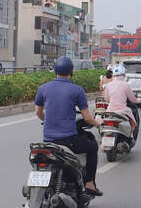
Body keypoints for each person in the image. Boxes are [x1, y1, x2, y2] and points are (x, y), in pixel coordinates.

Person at [34, 57, 104, 197]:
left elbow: (38, 112)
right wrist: (98, 122)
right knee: (92, 147)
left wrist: (47, 120)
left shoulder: (43, 88)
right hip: (68, 140)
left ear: (55, 71)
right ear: (72, 71)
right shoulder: (77, 90)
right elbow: (87, 118)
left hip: (48, 140)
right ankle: (89, 183)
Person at [103, 64, 140, 132]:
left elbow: (106, 99)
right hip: (122, 111)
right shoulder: (126, 85)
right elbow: (133, 99)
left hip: (110, 111)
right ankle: (131, 134)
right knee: (133, 122)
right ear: (123, 75)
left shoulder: (108, 85)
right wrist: (138, 100)